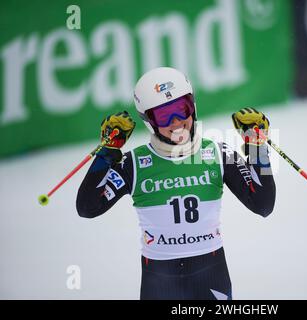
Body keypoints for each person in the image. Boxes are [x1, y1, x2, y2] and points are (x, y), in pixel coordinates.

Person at [76, 67, 276, 300]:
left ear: (193, 108)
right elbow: (87, 207)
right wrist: (107, 151)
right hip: (159, 282)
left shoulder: (219, 154)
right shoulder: (134, 164)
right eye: (164, 116)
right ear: (149, 122)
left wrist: (257, 147)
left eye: (182, 109)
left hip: (211, 276)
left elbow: (263, 205)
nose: (177, 122)